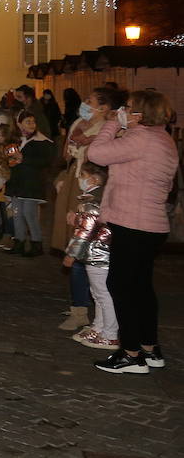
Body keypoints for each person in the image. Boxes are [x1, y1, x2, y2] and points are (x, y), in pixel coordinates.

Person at [85, 90, 176, 374]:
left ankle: (131, 353)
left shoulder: (141, 138)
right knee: (141, 288)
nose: (124, 110)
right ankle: (150, 348)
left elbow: (96, 153)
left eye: (129, 107)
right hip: (151, 224)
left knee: (122, 287)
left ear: (140, 113)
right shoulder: (163, 139)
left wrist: (113, 124)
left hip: (133, 223)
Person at [51, 87, 111, 329]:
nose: (85, 104)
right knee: (72, 241)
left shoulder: (108, 130)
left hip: (94, 185)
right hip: (75, 179)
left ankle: (88, 312)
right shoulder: (79, 123)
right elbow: (68, 153)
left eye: (90, 101)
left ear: (104, 108)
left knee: (85, 245)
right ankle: (79, 307)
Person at [63, 161, 117, 349]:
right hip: (98, 251)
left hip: (98, 253)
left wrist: (71, 253)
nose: (79, 180)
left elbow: (85, 231)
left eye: (82, 176)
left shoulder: (92, 200)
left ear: (93, 179)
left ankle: (110, 334)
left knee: (102, 294)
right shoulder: (96, 198)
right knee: (97, 293)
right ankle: (99, 327)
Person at [3, 110, 55, 257]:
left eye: (33, 121)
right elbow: (8, 159)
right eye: (28, 122)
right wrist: (9, 160)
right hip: (16, 182)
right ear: (19, 124)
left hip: (31, 183)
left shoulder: (42, 141)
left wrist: (23, 158)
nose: (32, 125)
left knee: (29, 214)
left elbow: (45, 162)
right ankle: (18, 242)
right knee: (17, 213)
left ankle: (36, 243)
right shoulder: (15, 140)